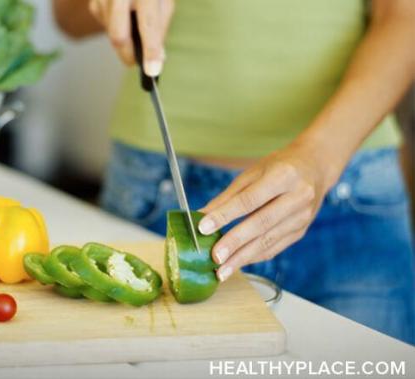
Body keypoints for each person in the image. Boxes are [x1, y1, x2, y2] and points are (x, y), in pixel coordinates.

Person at [52, 0, 415, 344]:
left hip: (347, 193)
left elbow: (404, 15)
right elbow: (68, 16)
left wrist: (320, 157)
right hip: (154, 189)